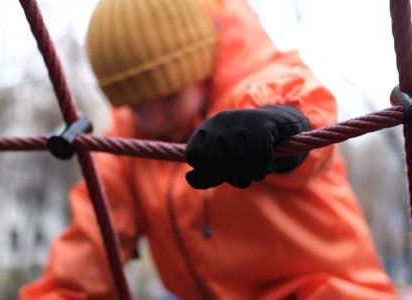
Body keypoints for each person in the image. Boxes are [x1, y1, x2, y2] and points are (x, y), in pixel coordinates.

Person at [20, 0, 397, 299]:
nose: (154, 118)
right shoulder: (127, 148)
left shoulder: (255, 82)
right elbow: (84, 258)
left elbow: (300, 104)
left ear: (197, 67)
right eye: (137, 105)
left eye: (168, 96)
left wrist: (280, 124)